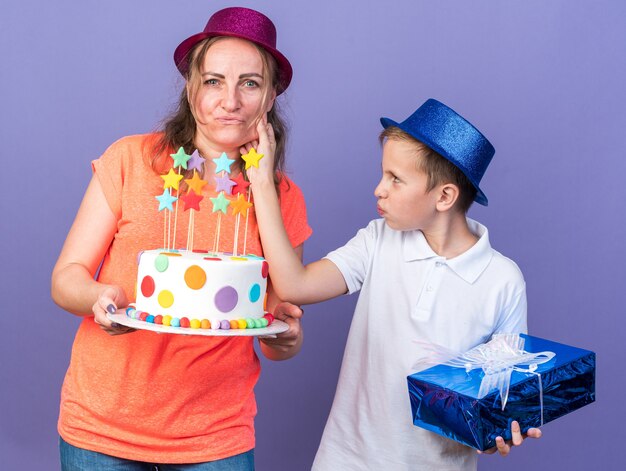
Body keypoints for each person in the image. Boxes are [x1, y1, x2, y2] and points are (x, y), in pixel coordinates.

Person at [51, 7, 311, 470]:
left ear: (271, 96)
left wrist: (286, 338)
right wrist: (99, 297)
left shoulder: (284, 198)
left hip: (215, 434)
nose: (230, 100)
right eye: (214, 81)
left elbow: (272, 322)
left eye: (249, 83)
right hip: (101, 425)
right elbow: (65, 279)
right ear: (191, 87)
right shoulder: (131, 159)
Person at [246, 98, 541, 470]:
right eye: (383, 174)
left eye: (395, 179)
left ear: (445, 196)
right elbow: (293, 284)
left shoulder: (503, 281)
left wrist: (500, 430)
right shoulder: (378, 240)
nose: (378, 190)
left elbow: (500, 402)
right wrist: (261, 181)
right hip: (345, 461)